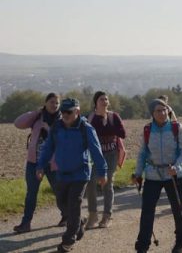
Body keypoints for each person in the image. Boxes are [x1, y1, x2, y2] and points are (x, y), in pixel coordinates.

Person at [36, 98, 108, 253]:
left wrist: (102, 172)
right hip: (62, 173)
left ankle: (68, 241)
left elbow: (96, 151)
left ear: (77, 111)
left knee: (74, 205)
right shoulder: (57, 127)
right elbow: (48, 147)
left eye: (68, 112)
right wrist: (40, 166)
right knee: (62, 204)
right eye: (62, 112)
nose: (65, 115)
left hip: (80, 174)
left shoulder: (86, 129)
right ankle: (79, 224)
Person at [133, 99, 182, 253]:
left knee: (178, 211)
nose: (162, 113)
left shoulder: (177, 127)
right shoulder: (147, 130)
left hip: (173, 175)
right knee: (147, 212)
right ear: (152, 113)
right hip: (153, 175)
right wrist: (137, 173)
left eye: (164, 109)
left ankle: (180, 243)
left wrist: (177, 167)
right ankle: (142, 246)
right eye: (158, 110)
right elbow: (143, 154)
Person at [13, 93, 65, 233]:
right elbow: (18, 123)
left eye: (57, 103)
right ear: (45, 102)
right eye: (51, 102)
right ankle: (26, 223)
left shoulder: (62, 120)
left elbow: (62, 140)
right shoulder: (37, 118)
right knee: (31, 193)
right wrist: (36, 112)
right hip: (34, 162)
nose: (54, 105)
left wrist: (47, 128)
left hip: (53, 164)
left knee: (59, 192)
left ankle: (67, 216)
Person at [85, 91, 126, 229]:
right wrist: (107, 129)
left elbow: (122, 133)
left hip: (111, 154)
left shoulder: (114, 116)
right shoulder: (89, 118)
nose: (105, 101)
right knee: (90, 183)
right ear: (96, 102)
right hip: (95, 156)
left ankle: (107, 216)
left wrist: (106, 125)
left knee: (107, 185)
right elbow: (85, 134)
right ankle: (93, 215)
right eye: (102, 99)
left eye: (106, 99)